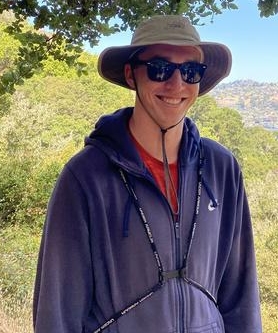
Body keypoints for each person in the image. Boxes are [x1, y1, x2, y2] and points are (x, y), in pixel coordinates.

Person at [33, 15, 262, 333]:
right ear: (131, 75)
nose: (177, 84)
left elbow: (241, 296)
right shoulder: (85, 177)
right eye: (160, 68)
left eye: (191, 71)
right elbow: (58, 311)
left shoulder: (222, 170)